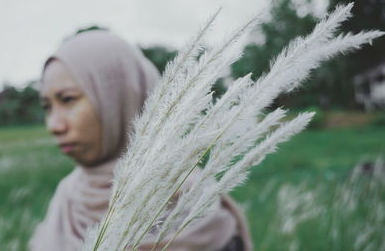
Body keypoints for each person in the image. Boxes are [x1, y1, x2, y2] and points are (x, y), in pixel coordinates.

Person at [30, 30, 252, 251]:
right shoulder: (67, 198)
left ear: (120, 96)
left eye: (68, 99)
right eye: (47, 107)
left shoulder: (193, 204)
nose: (54, 125)